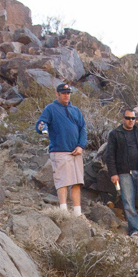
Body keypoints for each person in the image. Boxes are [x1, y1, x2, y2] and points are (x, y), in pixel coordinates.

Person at [37, 84, 89, 215]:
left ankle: (77, 213)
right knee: (63, 182)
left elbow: (83, 128)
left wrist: (80, 146)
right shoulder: (51, 108)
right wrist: (41, 127)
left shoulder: (75, 110)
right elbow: (42, 123)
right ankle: (63, 211)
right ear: (57, 94)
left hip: (75, 151)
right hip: (60, 150)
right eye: (63, 93)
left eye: (68, 93)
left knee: (77, 182)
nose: (66, 95)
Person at [103, 108, 138, 236]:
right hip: (124, 173)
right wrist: (113, 173)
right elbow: (110, 156)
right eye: (128, 118)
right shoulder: (115, 134)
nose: (130, 121)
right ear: (123, 119)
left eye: (133, 118)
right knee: (128, 202)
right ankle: (135, 230)